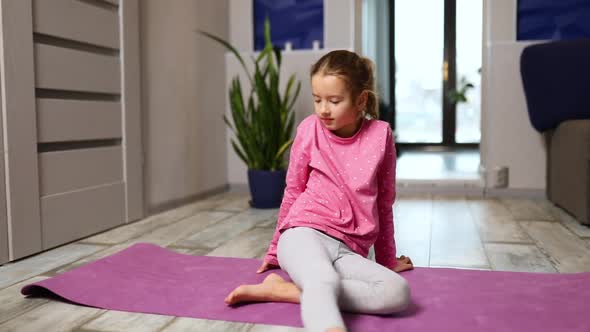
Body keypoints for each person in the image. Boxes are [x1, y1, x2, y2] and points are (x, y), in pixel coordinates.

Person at [224, 50, 413, 332]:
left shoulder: (381, 135)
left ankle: (282, 291)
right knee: (323, 278)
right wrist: (275, 250)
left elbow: (384, 203)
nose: (323, 109)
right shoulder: (309, 129)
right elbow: (293, 190)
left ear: (361, 100)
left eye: (334, 101)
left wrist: (386, 260)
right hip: (302, 234)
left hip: (349, 250)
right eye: (317, 100)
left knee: (398, 292)